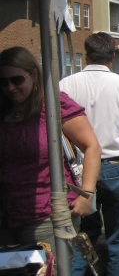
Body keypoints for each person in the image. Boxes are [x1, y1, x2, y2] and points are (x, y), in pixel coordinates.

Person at [58, 32, 119, 275]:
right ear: (112, 57)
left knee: (80, 237)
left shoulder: (65, 85)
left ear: (86, 55)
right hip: (115, 166)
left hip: (78, 170)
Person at [0, 47, 101, 251]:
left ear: (34, 74)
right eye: (3, 82)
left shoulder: (53, 104)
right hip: (6, 216)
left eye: (17, 80)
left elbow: (92, 146)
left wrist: (87, 194)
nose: (10, 88)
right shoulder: (3, 110)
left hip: (47, 216)